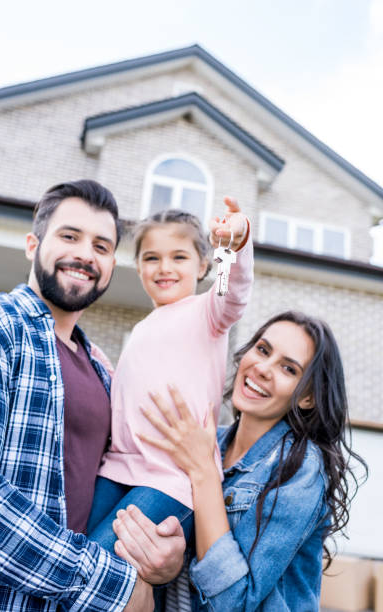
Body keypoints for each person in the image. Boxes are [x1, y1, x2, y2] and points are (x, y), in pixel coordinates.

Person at [0, 179, 185, 612]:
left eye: (102, 246)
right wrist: (109, 585)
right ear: (33, 244)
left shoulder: (105, 374)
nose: (86, 254)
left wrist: (162, 559)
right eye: (70, 236)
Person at [113, 311, 367, 611]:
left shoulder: (299, 469)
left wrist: (204, 471)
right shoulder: (210, 442)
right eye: (262, 350)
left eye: (288, 368)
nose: (262, 368)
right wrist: (168, 568)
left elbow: (236, 602)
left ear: (307, 398)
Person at [86, 199, 254, 555]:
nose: (164, 267)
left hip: (168, 479)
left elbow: (232, 292)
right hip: (117, 468)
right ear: (139, 267)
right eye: (151, 258)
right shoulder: (142, 328)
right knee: (80, 550)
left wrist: (232, 247)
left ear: (203, 264)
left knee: (99, 564)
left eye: (179, 257)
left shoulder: (207, 312)